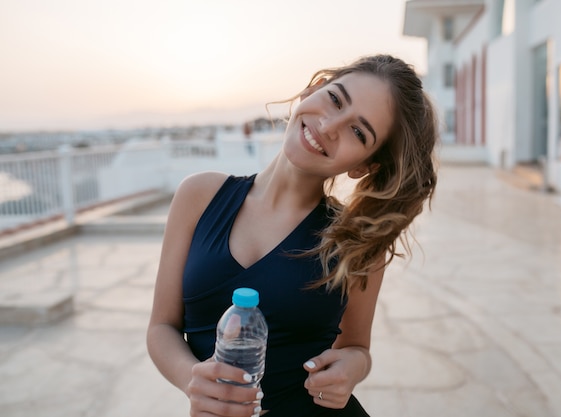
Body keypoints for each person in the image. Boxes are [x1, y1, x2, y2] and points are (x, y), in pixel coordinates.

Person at [146, 54, 438, 417]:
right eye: (334, 99)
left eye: (358, 132)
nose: (330, 125)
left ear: (364, 166)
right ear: (312, 90)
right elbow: (161, 326)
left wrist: (351, 369)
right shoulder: (199, 195)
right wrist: (192, 379)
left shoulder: (357, 242)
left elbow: (357, 348)